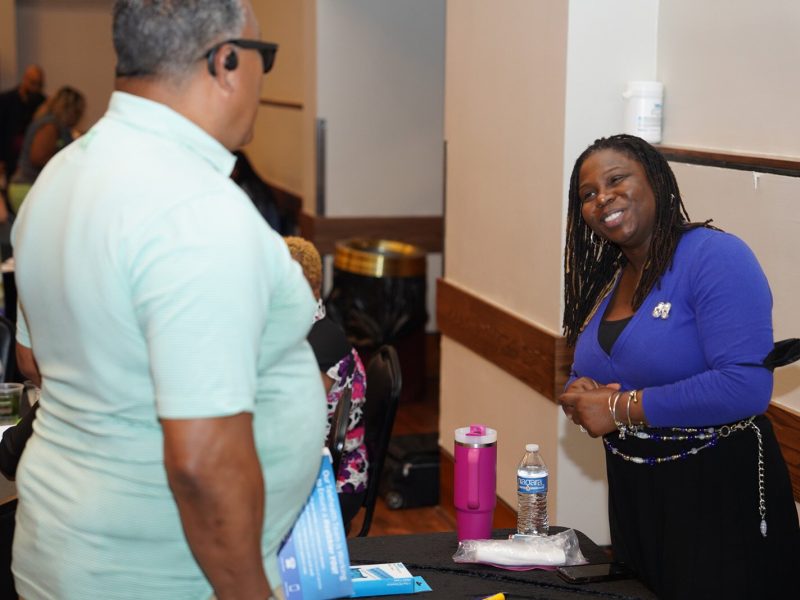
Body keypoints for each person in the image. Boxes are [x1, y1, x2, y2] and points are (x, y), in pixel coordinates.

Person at [11, 1, 326, 598]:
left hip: (63, 549)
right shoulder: (194, 210)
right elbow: (202, 462)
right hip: (168, 579)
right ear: (227, 60)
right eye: (265, 57)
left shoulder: (62, 174)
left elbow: (33, 359)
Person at [558, 134, 800, 599]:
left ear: (656, 181)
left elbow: (745, 386)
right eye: (588, 194)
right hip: (639, 491)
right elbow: (597, 369)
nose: (602, 198)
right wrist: (580, 393)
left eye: (616, 179)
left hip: (717, 493)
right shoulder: (615, 273)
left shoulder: (715, 257)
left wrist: (618, 407)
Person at [284, 236, 369, 525]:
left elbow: (291, 415)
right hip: (305, 468)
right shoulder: (298, 332)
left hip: (333, 482)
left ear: (314, 286)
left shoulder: (324, 341)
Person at [8, 86, 86, 213]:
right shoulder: (50, 126)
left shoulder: (52, 124)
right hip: (28, 186)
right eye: (78, 112)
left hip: (27, 186)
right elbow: (37, 158)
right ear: (71, 110)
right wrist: (65, 161)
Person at [0, 65, 45, 185]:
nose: (35, 88)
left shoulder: (42, 102)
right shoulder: (6, 100)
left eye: (39, 84)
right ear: (25, 79)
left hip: (29, 160)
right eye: (33, 83)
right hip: (9, 157)